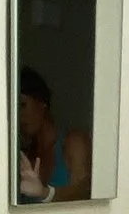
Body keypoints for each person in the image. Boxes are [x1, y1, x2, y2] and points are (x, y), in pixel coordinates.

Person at [16, 68, 92, 203]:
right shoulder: (24, 156)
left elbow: (84, 191)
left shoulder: (73, 142)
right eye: (14, 109)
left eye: (22, 105)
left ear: (42, 102)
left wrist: (45, 193)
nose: (19, 116)